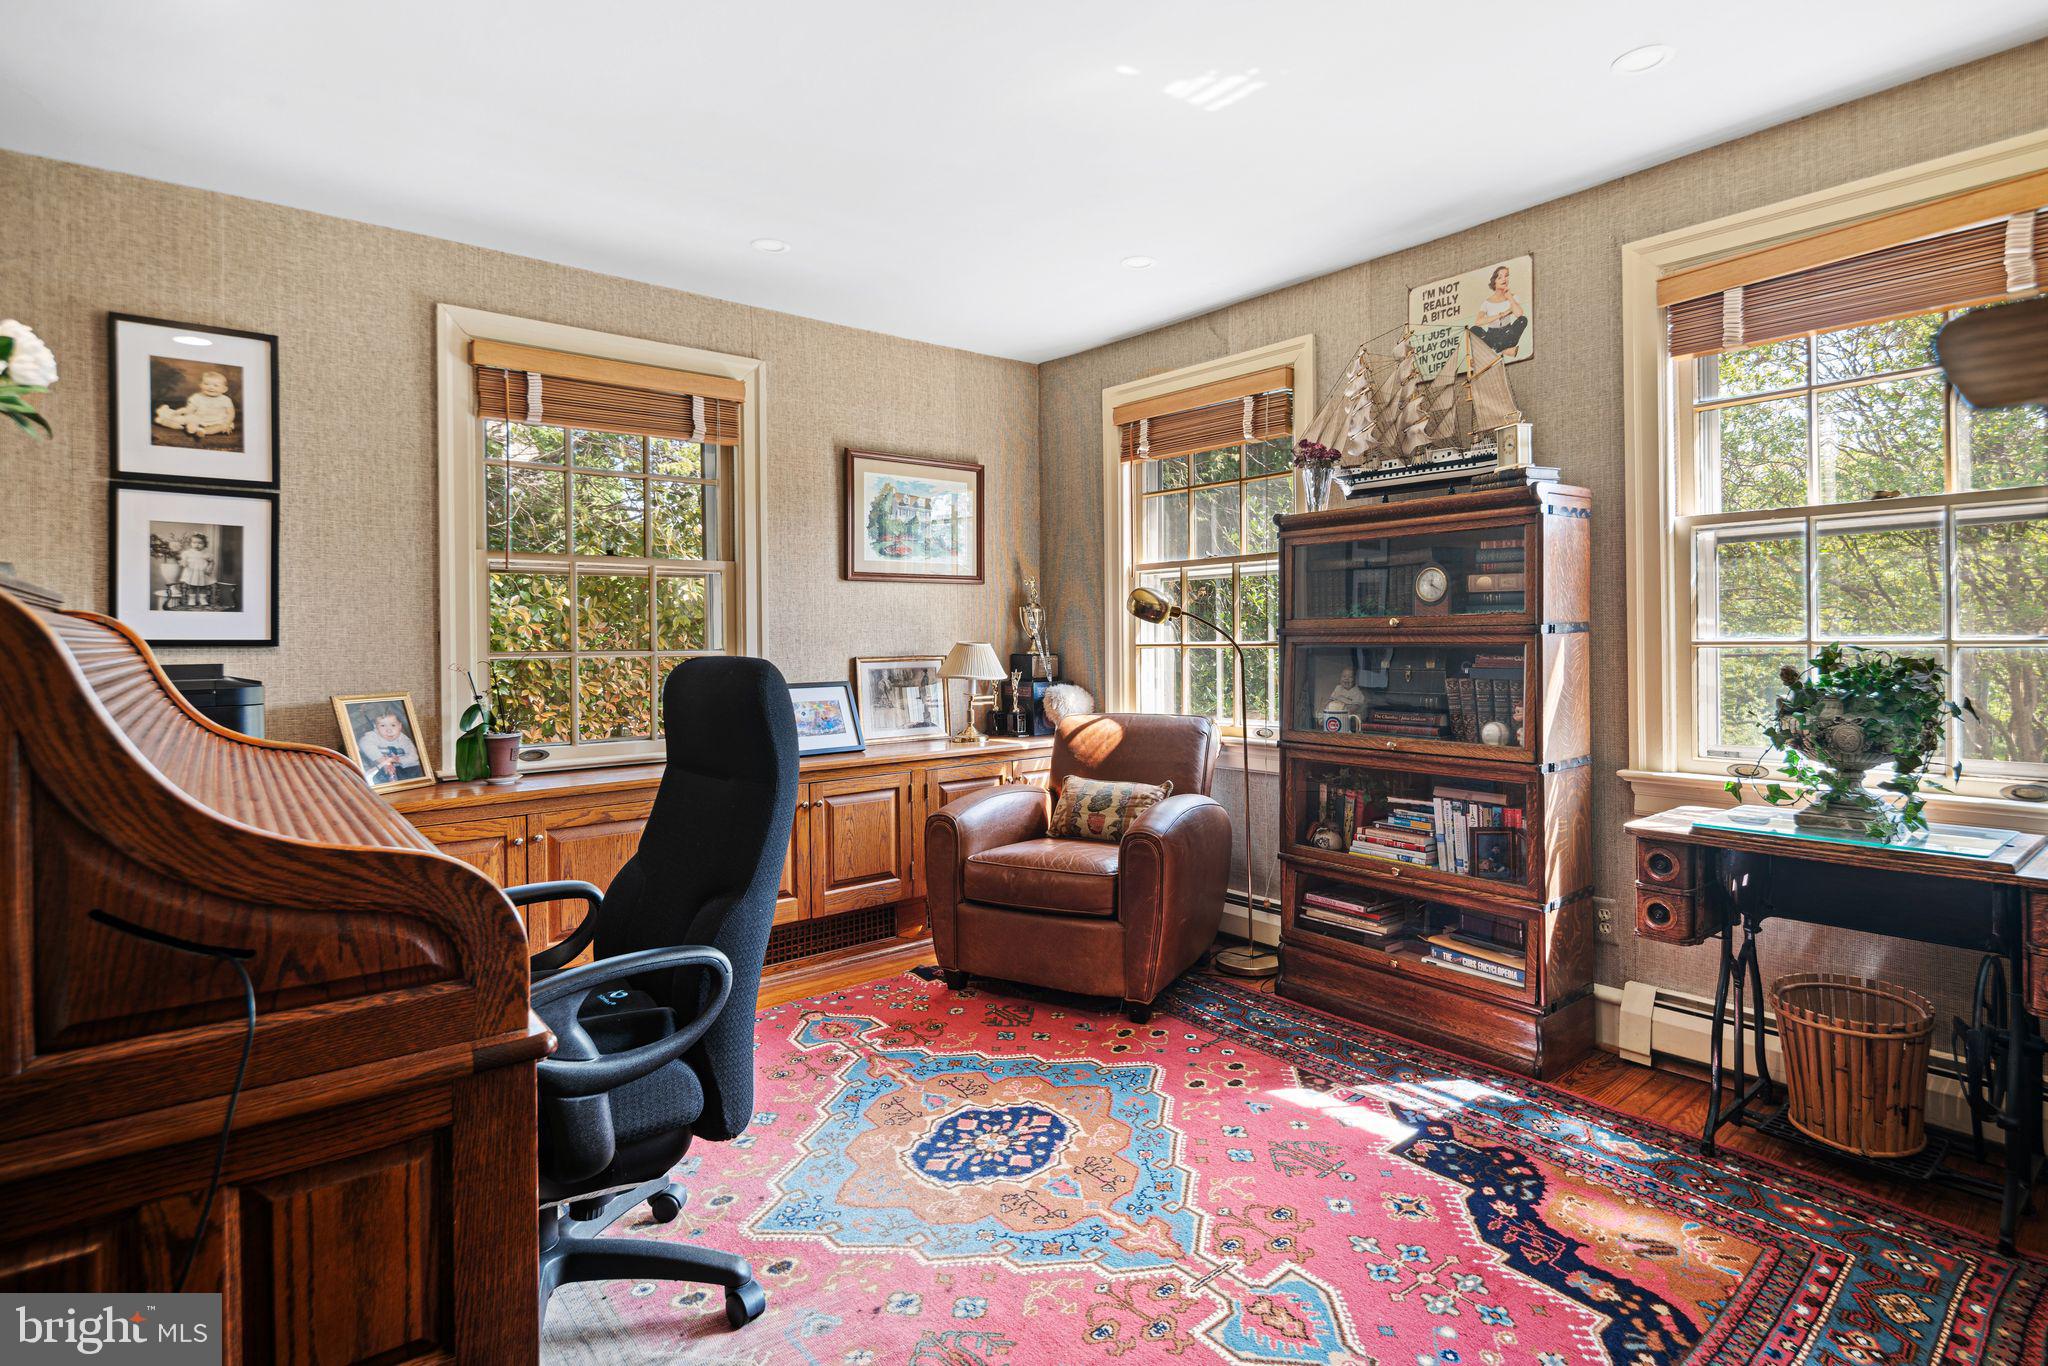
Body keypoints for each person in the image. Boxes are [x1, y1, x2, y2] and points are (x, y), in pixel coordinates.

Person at [154, 369, 238, 439]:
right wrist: (181, 411)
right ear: (200, 385)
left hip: (218, 420)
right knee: (186, 418)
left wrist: (227, 423)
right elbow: (190, 409)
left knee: (222, 427)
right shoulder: (197, 396)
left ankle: (202, 431)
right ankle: (165, 421)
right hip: (199, 418)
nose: (210, 387)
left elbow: (231, 413)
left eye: (216, 385)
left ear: (224, 389)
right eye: (206, 384)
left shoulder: (225, 399)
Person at [1466, 265, 1528, 358]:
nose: (1504, 279)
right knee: (1474, 330)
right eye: (1500, 277)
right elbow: (1478, 322)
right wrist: (1500, 315)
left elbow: (1519, 314)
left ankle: (1495, 349)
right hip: (1492, 335)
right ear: (1494, 281)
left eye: (1506, 276)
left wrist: (1509, 297)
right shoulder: (1486, 303)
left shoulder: (1513, 297)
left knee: (1523, 320)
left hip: (1507, 333)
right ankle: (1504, 350)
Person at [356, 710, 424, 785]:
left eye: (393, 725)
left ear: (400, 726)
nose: (389, 730)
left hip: (408, 767)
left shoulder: (404, 739)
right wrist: (383, 761)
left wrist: (399, 760)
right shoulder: (373, 735)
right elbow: (364, 742)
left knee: (418, 771)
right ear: (376, 727)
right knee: (378, 778)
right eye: (383, 726)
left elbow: (414, 756)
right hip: (385, 767)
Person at [174, 532, 215, 610]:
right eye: (194, 542)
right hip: (191, 572)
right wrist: (184, 562)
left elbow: (212, 562)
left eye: (200, 543)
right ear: (190, 543)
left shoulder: (206, 554)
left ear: (205, 544)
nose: (197, 545)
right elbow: (183, 561)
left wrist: (210, 567)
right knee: (192, 586)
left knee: (203, 586)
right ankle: (191, 599)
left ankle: (202, 599)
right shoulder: (187, 553)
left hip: (202, 572)